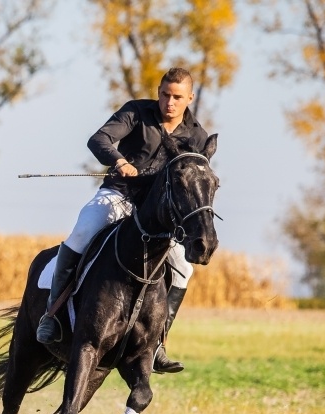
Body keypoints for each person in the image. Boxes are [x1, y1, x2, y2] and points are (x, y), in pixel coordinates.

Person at [35, 67, 208, 374]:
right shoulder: (135, 112)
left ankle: (157, 344)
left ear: (189, 98)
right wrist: (119, 160)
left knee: (184, 267)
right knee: (81, 234)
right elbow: (98, 139)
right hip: (118, 195)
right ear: (158, 91)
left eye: (177, 97)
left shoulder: (197, 136)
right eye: (165, 94)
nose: (169, 102)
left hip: (155, 215)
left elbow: (192, 179)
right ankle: (51, 315)